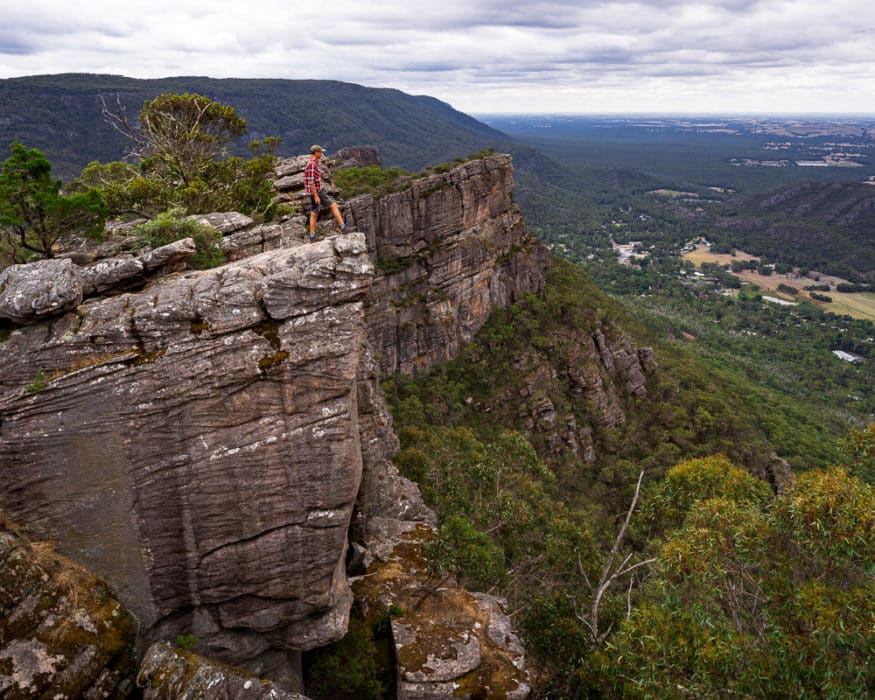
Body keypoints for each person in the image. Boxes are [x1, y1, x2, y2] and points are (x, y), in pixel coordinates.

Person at [304, 145, 347, 240]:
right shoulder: (311, 164)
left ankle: (312, 235)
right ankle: (343, 227)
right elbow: (311, 182)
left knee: (314, 212)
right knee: (333, 205)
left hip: (313, 192)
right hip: (317, 192)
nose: (322, 153)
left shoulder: (313, 163)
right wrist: (316, 196)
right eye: (320, 152)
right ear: (316, 153)